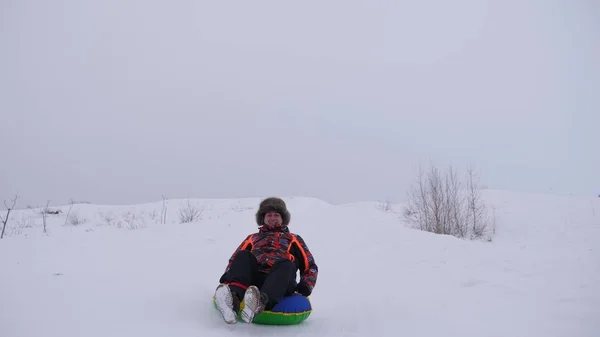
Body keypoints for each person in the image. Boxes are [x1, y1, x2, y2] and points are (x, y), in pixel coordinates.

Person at [214, 197, 318, 324]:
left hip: (281, 280)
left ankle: (259, 303)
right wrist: (227, 279)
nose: (272, 218)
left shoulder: (293, 238)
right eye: (269, 214)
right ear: (263, 218)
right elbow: (234, 260)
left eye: (276, 215)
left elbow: (310, 265)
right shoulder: (252, 238)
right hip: (255, 280)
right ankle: (233, 301)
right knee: (243, 255)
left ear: (283, 218)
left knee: (286, 263)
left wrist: (306, 286)